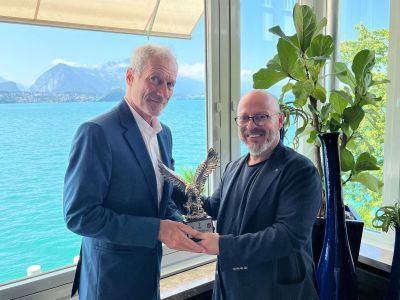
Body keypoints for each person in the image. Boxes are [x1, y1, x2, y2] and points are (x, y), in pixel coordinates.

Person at [63, 44, 205, 300]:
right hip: (108, 284)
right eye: (155, 79)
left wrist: (183, 225)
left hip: (149, 278)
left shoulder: (165, 135)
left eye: (170, 84)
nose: (163, 92)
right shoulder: (96, 132)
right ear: (130, 77)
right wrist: (158, 230)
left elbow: (162, 197)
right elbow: (79, 216)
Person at [193, 90, 321, 299]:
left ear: (279, 120)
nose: (251, 126)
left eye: (261, 117)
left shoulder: (300, 170)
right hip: (230, 290)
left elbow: (288, 236)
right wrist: (173, 188)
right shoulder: (233, 167)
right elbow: (212, 207)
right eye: (244, 118)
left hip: (275, 293)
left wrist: (221, 245)